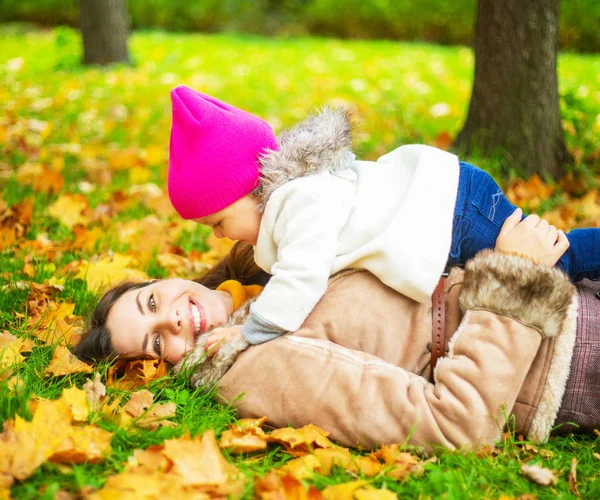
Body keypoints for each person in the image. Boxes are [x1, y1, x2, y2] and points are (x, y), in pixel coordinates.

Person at [73, 211, 600, 452]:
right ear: (159, 368)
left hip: (568, 290)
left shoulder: (268, 270)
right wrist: (516, 280)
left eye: (150, 302)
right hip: (564, 354)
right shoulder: (254, 368)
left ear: (165, 279)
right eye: (158, 343)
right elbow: (455, 424)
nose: (171, 317)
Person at [166, 85, 600, 353]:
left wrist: (249, 332)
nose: (222, 238)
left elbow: (303, 276)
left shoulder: (296, 203)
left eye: (218, 222)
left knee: (550, 265)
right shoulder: (294, 198)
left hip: (453, 210)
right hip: (450, 200)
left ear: (248, 190)